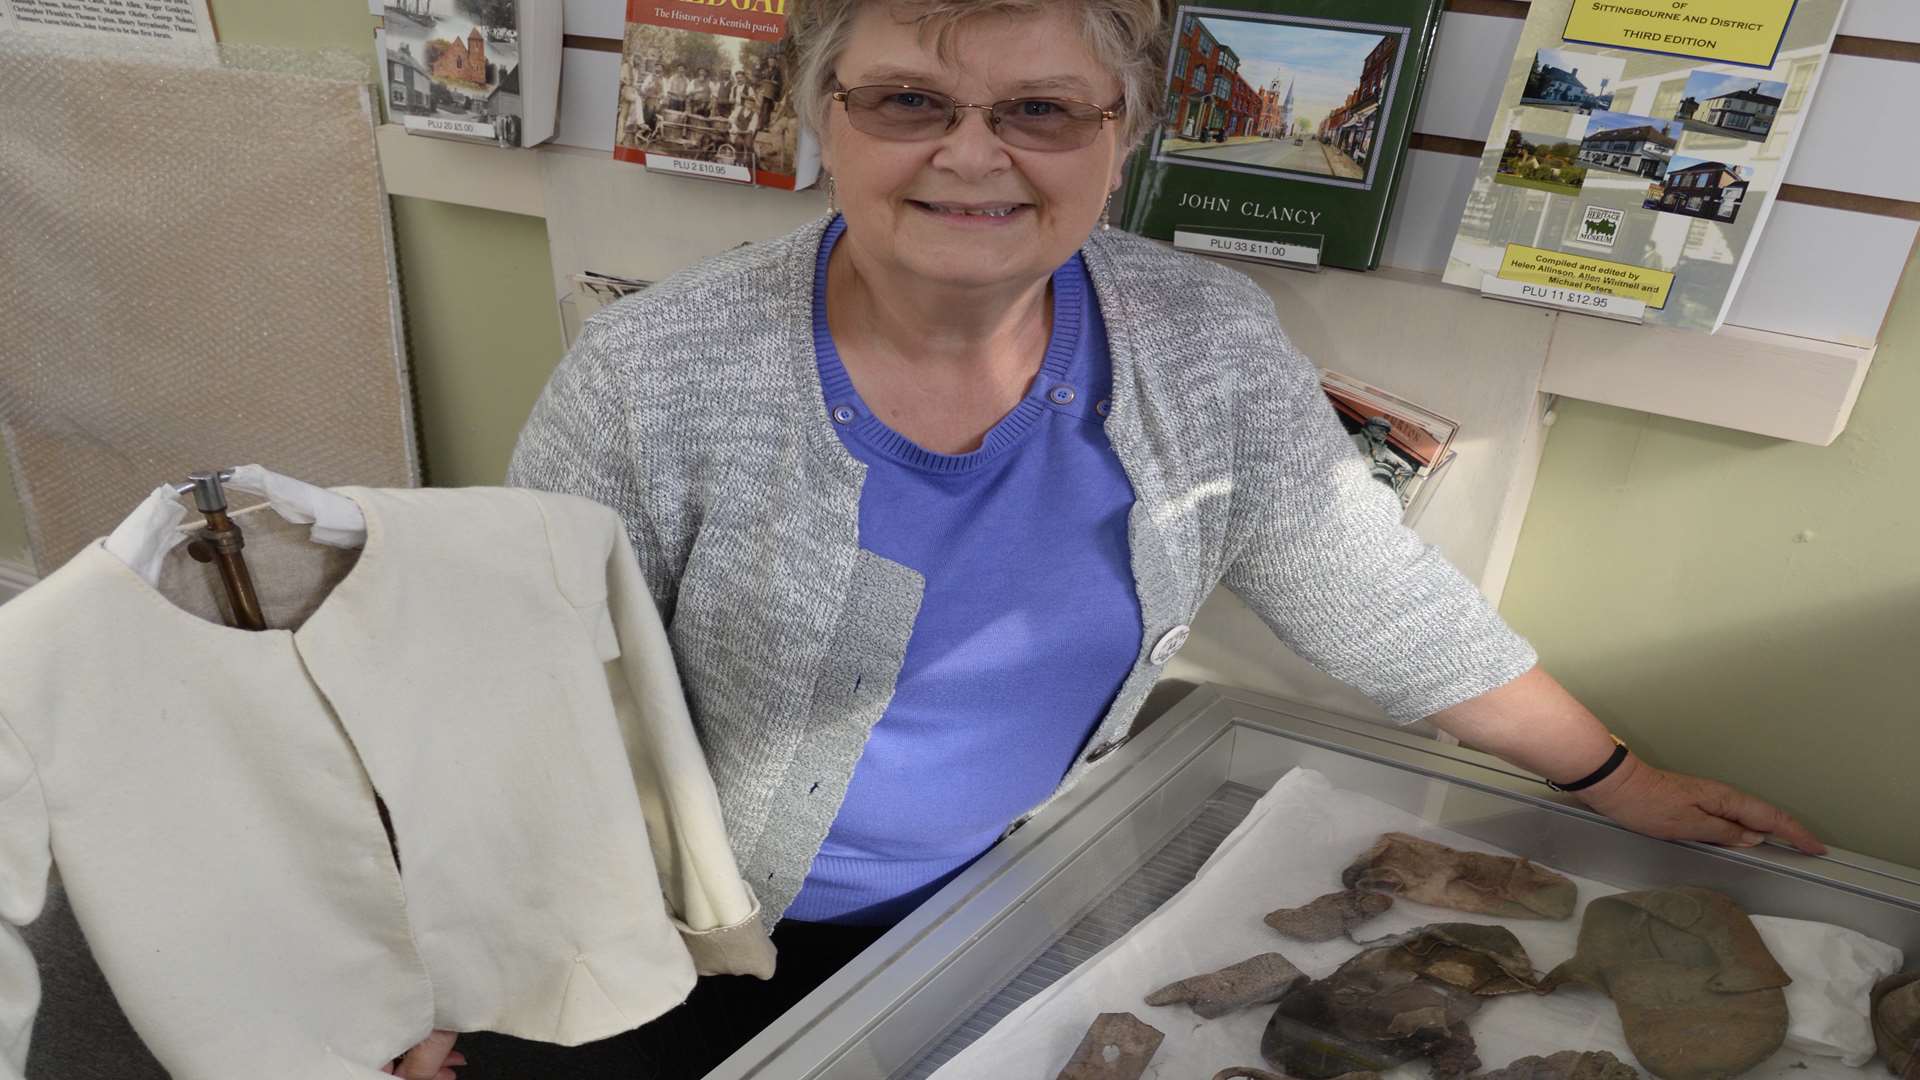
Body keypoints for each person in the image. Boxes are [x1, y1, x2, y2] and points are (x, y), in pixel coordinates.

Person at [386, 2, 1824, 1077]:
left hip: (997, 908)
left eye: (1040, 112)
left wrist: (1613, 774)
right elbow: (516, 696)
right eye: (906, 102)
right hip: (662, 931)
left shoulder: (1200, 341)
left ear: (1121, 137)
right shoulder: (657, 371)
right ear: (818, 114)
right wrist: (447, 971)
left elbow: (1363, 583)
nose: (971, 156)